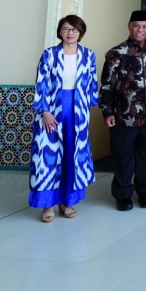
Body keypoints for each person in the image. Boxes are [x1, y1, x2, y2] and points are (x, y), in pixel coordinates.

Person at [30, 15, 99, 222]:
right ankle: (47, 205)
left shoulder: (88, 55)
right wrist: (45, 111)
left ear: (81, 33)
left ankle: (66, 201)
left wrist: (89, 107)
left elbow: (92, 83)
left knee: (72, 154)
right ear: (60, 31)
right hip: (51, 109)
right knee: (48, 157)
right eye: (66, 29)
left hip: (78, 110)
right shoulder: (50, 55)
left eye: (75, 30)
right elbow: (41, 83)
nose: (70, 33)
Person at [100, 9, 146, 211]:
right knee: (122, 157)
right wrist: (107, 111)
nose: (140, 30)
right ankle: (123, 195)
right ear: (129, 27)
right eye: (136, 25)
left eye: (145, 26)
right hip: (123, 116)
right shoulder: (116, 53)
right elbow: (106, 84)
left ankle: (145, 193)